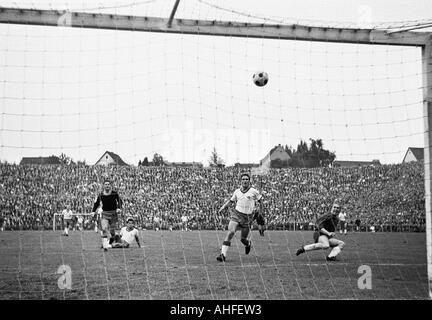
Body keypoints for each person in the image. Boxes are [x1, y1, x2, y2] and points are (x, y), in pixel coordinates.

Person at [216, 173, 262, 262]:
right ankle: (223, 255)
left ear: (249, 181)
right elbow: (231, 201)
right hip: (237, 214)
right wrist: (223, 207)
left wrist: (260, 212)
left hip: (248, 218)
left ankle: (248, 244)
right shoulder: (237, 191)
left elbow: (260, 201)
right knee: (231, 232)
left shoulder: (254, 191)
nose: (245, 181)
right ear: (241, 181)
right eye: (243, 179)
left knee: (243, 239)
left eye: (246, 179)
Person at [92, 179, 122, 251]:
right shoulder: (101, 194)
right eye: (106, 184)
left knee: (112, 231)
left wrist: (119, 208)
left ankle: (113, 238)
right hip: (105, 213)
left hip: (114, 214)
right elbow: (97, 203)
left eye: (108, 184)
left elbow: (120, 201)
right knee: (104, 228)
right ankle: (107, 244)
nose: (107, 185)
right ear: (103, 186)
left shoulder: (114, 193)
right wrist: (93, 211)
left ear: (110, 186)